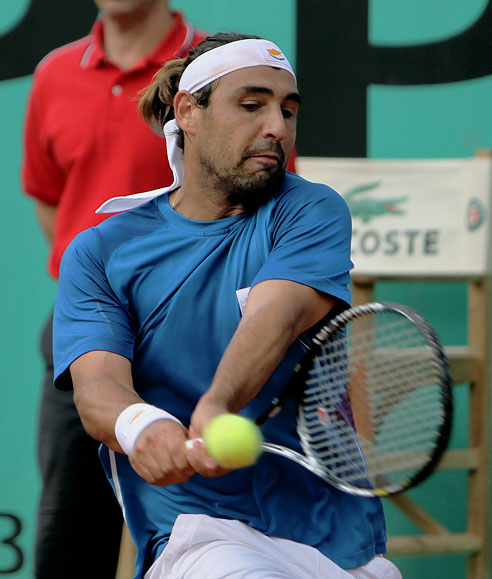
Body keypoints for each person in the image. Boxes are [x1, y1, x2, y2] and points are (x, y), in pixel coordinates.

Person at [53, 32, 402, 579]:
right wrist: (140, 424)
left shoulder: (310, 210)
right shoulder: (101, 252)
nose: (277, 127)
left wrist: (216, 405)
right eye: (251, 105)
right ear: (187, 112)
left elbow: (276, 314)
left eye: (288, 110)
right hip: (202, 535)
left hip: (339, 538)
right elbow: (97, 384)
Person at [20, 1, 206, 577]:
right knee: (70, 536)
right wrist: (97, 287)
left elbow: (261, 195)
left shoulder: (214, 68)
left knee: (210, 536)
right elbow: (51, 200)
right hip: (84, 332)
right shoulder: (55, 73)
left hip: (197, 332)